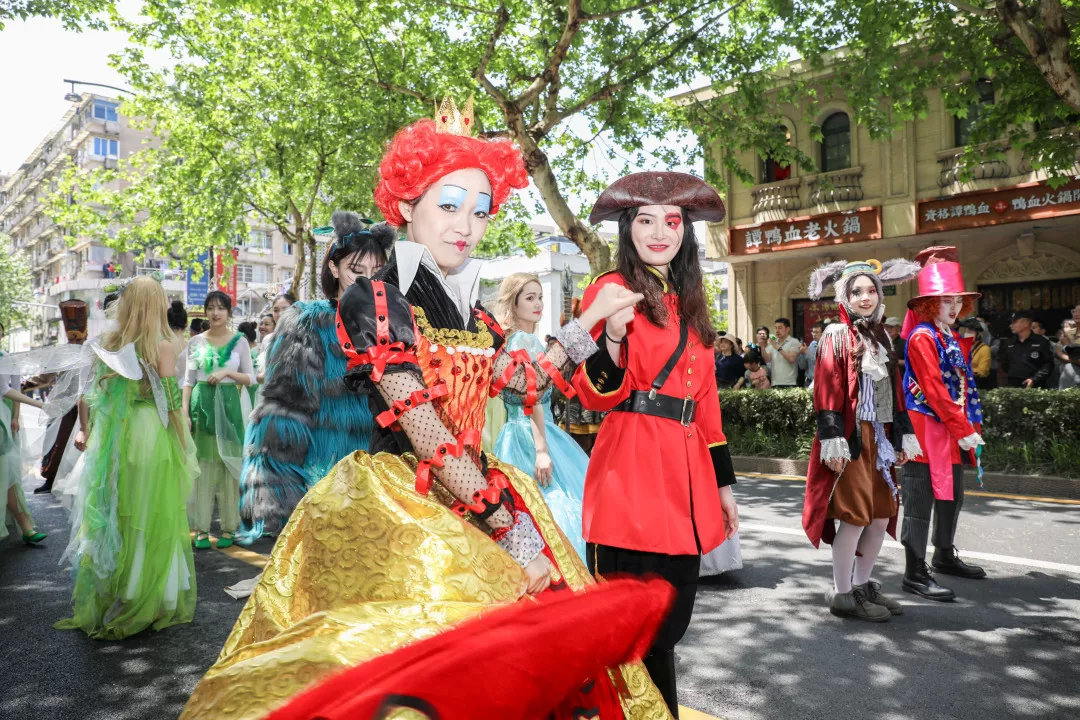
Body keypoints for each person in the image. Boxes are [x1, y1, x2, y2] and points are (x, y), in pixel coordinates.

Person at [181, 110, 662, 720]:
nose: (466, 226)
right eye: (450, 205)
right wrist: (510, 531)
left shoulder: (471, 311)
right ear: (408, 204)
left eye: (480, 212)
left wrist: (593, 323)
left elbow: (521, 379)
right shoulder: (376, 299)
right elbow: (426, 430)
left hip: (477, 490)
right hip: (408, 506)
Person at [572, 171, 739, 716]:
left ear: (685, 232)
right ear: (628, 229)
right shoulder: (609, 289)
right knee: (632, 630)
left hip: (687, 477)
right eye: (646, 221)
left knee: (669, 624)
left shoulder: (688, 301)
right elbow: (591, 391)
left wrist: (724, 487)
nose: (660, 232)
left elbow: (707, 404)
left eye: (672, 222)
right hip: (632, 469)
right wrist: (612, 335)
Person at [54, 276, 197, 639]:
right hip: (151, 434)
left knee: (120, 510)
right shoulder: (164, 344)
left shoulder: (109, 343)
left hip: (117, 435)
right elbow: (170, 402)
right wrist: (184, 443)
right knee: (151, 513)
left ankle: (119, 591)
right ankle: (148, 593)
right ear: (156, 304)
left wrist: (86, 430)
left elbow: (92, 393)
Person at [235, 212, 389, 545]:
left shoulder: (396, 323)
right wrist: (279, 494)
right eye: (356, 270)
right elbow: (283, 411)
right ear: (333, 268)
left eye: (377, 271)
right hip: (323, 482)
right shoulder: (308, 322)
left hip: (381, 483)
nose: (367, 281)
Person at [802, 256, 922, 622]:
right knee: (854, 518)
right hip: (851, 438)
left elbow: (895, 395)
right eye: (857, 292)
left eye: (871, 290)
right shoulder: (836, 335)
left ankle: (862, 583)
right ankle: (843, 594)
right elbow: (827, 390)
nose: (866, 297)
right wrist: (832, 439)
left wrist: (901, 436)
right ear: (845, 297)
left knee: (881, 516)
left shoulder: (881, 336)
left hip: (879, 437)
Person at [899, 246, 987, 602]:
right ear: (930, 304)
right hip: (924, 433)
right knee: (919, 501)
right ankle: (914, 572)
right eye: (946, 300)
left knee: (952, 495)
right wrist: (964, 429)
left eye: (957, 300)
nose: (954, 306)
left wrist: (965, 427)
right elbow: (934, 390)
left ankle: (944, 554)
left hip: (948, 430)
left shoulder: (946, 334)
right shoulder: (923, 337)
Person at [493, 273, 590, 562]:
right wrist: (542, 450)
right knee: (552, 505)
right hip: (534, 434)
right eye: (530, 298)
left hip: (516, 435)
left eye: (540, 297)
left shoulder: (511, 341)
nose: (538, 304)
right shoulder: (525, 340)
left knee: (527, 506)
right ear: (513, 303)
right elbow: (531, 396)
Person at [182, 291, 255, 550]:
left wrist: (227, 372)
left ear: (229, 312)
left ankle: (228, 527)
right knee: (203, 467)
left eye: (221, 308)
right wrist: (184, 413)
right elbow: (188, 381)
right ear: (205, 311)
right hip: (202, 406)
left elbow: (251, 378)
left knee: (229, 469)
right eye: (211, 308)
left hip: (229, 407)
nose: (215, 313)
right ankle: (201, 528)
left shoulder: (240, 342)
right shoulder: (195, 342)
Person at [34, 300, 88, 495]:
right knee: (56, 443)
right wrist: (24, 386)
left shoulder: (92, 350)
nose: (75, 340)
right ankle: (51, 480)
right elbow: (45, 376)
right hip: (62, 407)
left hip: (85, 406)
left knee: (80, 446)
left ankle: (78, 483)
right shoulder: (62, 353)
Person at [1, 321, 47, 545]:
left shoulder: (6, 359)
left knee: (8, 473)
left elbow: (9, 389)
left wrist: (35, 407)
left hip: (3, 419)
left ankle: (26, 528)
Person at [1000, 311, 1054, 388]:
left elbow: (1048, 364)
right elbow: (1004, 363)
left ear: (1026, 323)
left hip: (1035, 385)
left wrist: (1035, 379)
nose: (1010, 325)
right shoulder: (1008, 343)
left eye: (1014, 322)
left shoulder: (1042, 342)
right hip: (1013, 385)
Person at [762, 317, 800, 387]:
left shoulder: (794, 342)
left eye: (780, 328)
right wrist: (762, 346)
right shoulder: (773, 342)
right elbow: (767, 359)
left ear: (787, 329)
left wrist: (777, 347)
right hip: (775, 382)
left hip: (790, 382)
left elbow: (791, 359)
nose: (777, 330)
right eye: (775, 328)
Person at [957, 318, 993, 390]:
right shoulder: (961, 347)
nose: (967, 333)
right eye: (966, 331)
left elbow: (983, 372)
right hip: (961, 384)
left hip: (977, 385)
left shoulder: (984, 349)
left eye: (971, 331)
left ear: (978, 334)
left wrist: (965, 370)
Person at [1055, 320, 1080, 389]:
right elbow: (1059, 353)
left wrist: (1066, 345)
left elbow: (1076, 359)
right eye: (1064, 327)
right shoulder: (1061, 341)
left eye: (1067, 326)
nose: (1064, 329)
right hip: (1065, 377)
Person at [800, 320, 825, 388]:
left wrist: (807, 352)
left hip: (821, 382)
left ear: (823, 333)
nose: (814, 334)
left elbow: (821, 362)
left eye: (816, 332)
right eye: (813, 332)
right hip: (809, 381)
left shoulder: (827, 346)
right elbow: (802, 366)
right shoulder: (812, 344)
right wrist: (802, 354)